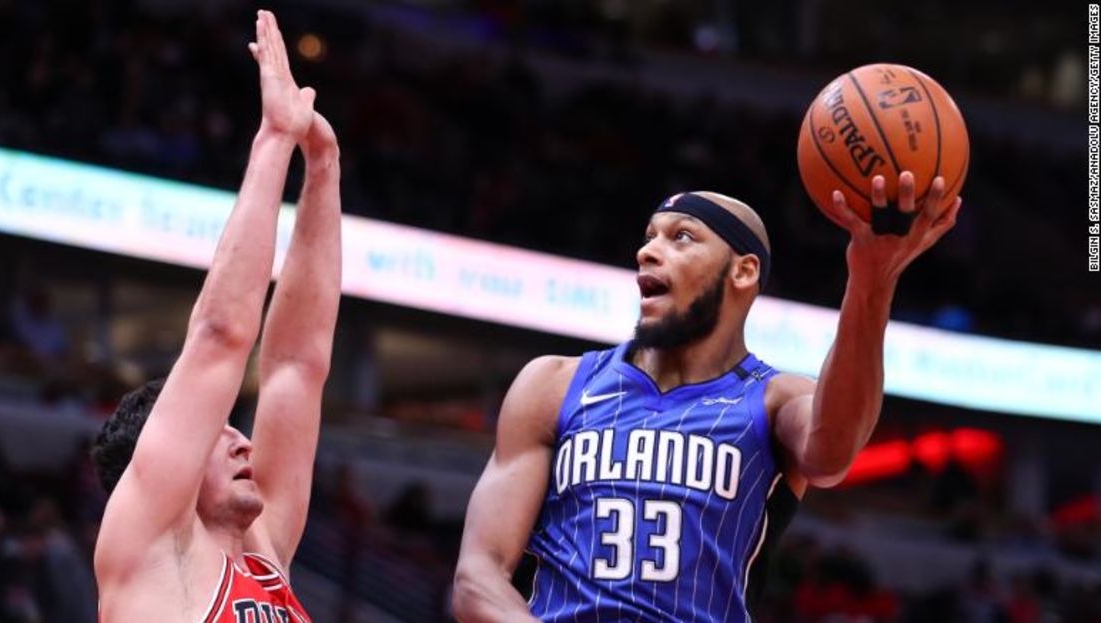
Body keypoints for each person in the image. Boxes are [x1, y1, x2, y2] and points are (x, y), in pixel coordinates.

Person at [453, 174, 961, 622]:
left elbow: (831, 456)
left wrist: (872, 279)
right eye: (649, 236)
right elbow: (478, 575)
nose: (647, 251)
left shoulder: (775, 400)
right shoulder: (554, 385)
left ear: (742, 272)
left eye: (681, 238)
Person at [90, 11, 341, 622]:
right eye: (220, 430)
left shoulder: (263, 555)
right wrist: (274, 141)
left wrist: (323, 169)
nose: (242, 440)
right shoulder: (147, 550)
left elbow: (297, 366)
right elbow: (219, 338)